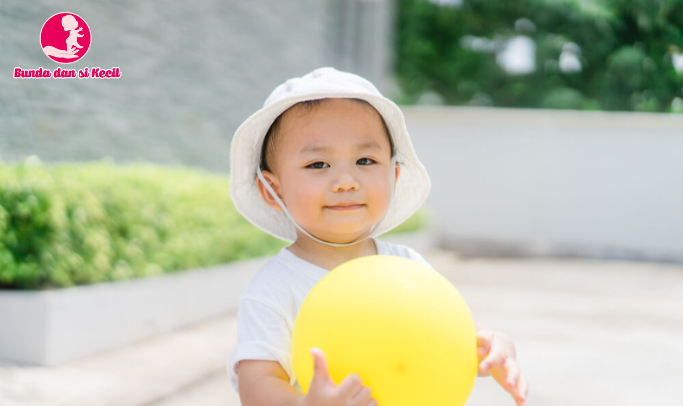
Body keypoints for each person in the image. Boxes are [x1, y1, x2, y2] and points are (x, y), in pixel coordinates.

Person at [226, 67, 529, 406]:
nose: (346, 181)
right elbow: (257, 384)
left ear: (394, 176)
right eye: (318, 165)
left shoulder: (407, 269)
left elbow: (440, 343)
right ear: (272, 189)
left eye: (365, 160)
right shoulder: (275, 288)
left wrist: (489, 346)